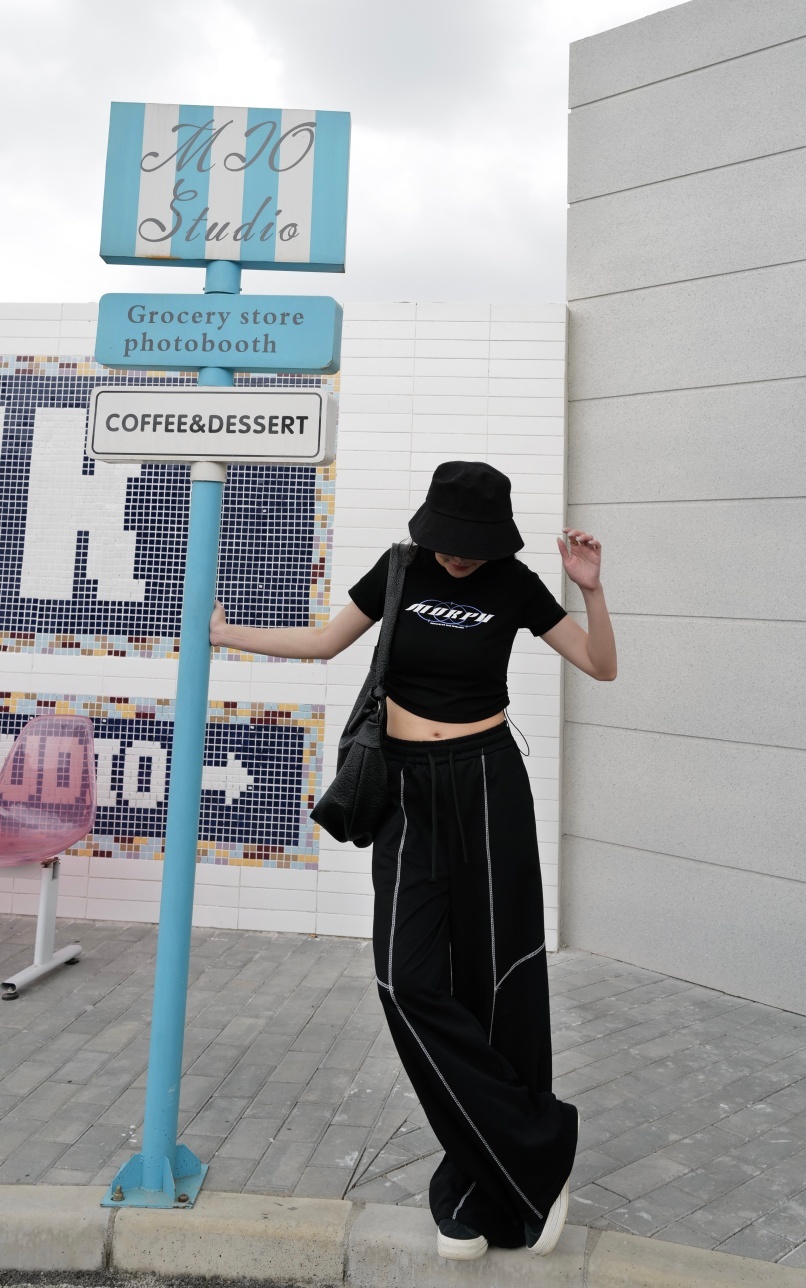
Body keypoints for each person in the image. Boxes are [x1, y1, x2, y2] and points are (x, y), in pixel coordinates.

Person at [210, 460, 617, 1260]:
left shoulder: (515, 584)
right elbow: (326, 641)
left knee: (497, 979)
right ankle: (533, 1142)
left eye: (472, 544)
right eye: (449, 541)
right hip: (406, 788)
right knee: (406, 979)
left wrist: (591, 591)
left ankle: (476, 1180)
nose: (458, 556)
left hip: (488, 785)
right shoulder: (400, 569)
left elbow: (601, 665)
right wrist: (227, 634)